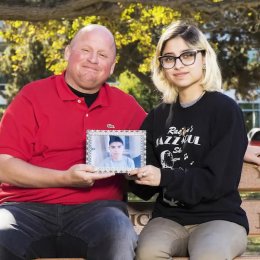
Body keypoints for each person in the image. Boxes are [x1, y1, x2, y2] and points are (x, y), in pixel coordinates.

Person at [0, 24, 146, 260]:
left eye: (102, 54)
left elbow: (151, 158)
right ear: (68, 53)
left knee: (119, 232)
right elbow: (3, 166)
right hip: (25, 210)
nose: (93, 60)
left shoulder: (127, 107)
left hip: (99, 213)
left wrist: (137, 172)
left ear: (112, 66)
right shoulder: (32, 97)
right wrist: (65, 178)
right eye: (86, 50)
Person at [128, 20, 249, 260]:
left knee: (208, 254)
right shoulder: (157, 116)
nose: (178, 65)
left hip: (219, 218)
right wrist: (128, 170)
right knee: (147, 252)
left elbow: (218, 181)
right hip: (169, 219)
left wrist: (163, 176)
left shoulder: (225, 110)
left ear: (204, 58)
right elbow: (143, 187)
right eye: (169, 58)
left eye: (187, 55)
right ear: (162, 66)